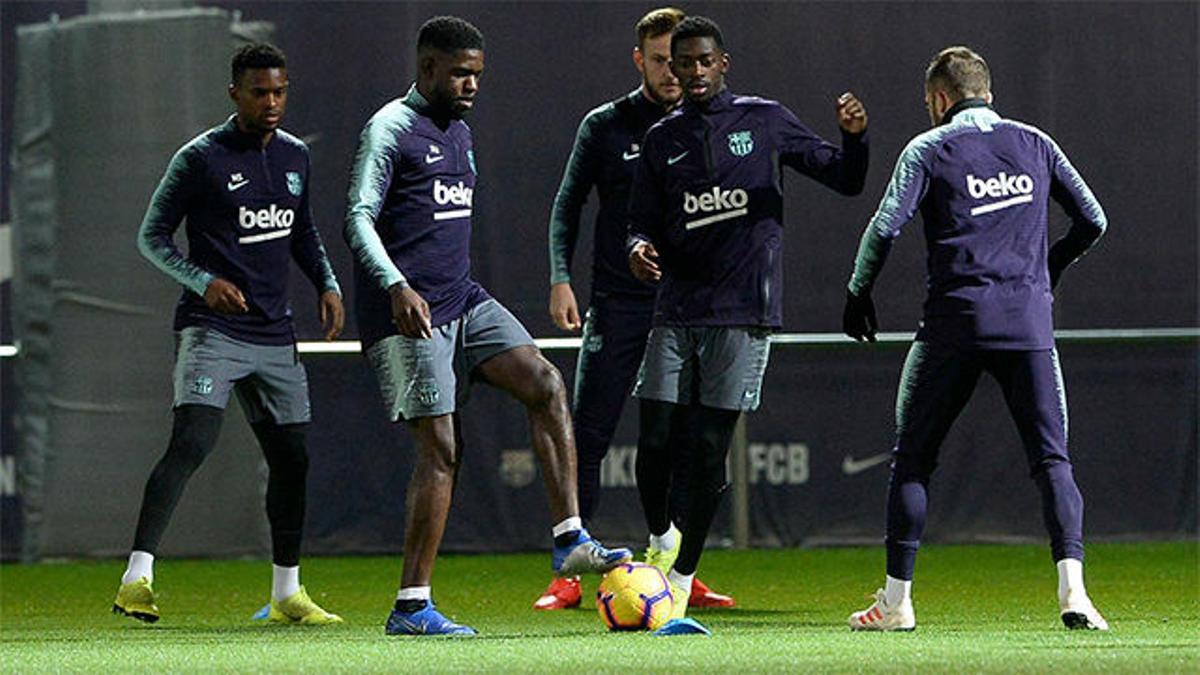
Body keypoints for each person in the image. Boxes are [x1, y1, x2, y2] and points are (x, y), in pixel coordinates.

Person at [343, 16, 632, 637]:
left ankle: (569, 539)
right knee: (442, 451)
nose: (472, 84)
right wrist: (396, 285)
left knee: (546, 383)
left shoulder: (462, 132)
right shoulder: (391, 128)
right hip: (406, 313)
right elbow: (358, 218)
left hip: (462, 298)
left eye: (477, 74)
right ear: (426, 70)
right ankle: (411, 606)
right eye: (459, 74)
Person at [842, 46, 1108, 632]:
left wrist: (859, 292)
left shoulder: (928, 148)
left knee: (913, 459)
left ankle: (896, 604)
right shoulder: (1036, 143)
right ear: (986, 92)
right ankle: (1075, 594)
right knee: (1052, 460)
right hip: (1027, 324)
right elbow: (1094, 220)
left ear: (938, 99)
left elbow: (885, 226)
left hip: (953, 326)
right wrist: (1049, 269)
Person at [627, 16, 869, 631]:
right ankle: (663, 537)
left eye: (706, 61)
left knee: (708, 450)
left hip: (741, 310)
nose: (697, 72)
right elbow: (640, 220)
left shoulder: (764, 120)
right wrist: (637, 246)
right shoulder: (661, 140)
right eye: (685, 63)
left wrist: (855, 140)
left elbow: (845, 180)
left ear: (723, 63)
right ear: (673, 70)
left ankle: (678, 584)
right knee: (653, 442)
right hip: (676, 306)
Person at [113, 43, 345, 625]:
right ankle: (134, 581)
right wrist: (202, 280)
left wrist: (328, 282)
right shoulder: (200, 158)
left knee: (292, 459)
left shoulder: (295, 156)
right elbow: (152, 237)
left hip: (275, 334)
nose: (272, 102)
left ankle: (287, 594)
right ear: (235, 93)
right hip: (213, 331)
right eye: (260, 92)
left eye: (280, 91)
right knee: (191, 443)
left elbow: (303, 231)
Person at [538, 7, 735, 612]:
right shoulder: (607, 126)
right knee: (588, 435)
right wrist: (560, 278)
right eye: (659, 60)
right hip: (619, 305)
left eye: (679, 60)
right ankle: (570, 568)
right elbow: (568, 205)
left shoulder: (706, 125)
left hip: (686, 308)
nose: (673, 72)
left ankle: (676, 564)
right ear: (640, 60)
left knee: (684, 445)